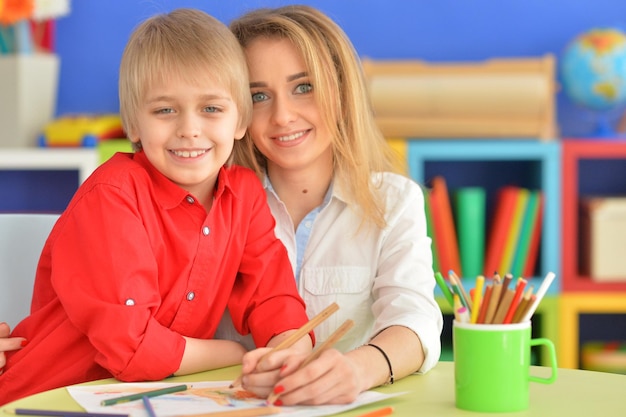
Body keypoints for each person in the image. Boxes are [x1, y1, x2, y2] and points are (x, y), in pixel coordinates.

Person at [0, 8, 313, 406]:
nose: (189, 128)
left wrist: (290, 349)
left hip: (156, 399)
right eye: (165, 110)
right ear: (133, 124)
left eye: (211, 109)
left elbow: (271, 295)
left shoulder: (244, 195)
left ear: (240, 120)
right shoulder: (113, 196)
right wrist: (236, 353)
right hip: (43, 399)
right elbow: (132, 349)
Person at [225, 5, 443, 406]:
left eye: (303, 87)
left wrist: (359, 369)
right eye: (258, 96)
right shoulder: (216, 207)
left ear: (341, 91)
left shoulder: (393, 201)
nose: (283, 116)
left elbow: (414, 320)